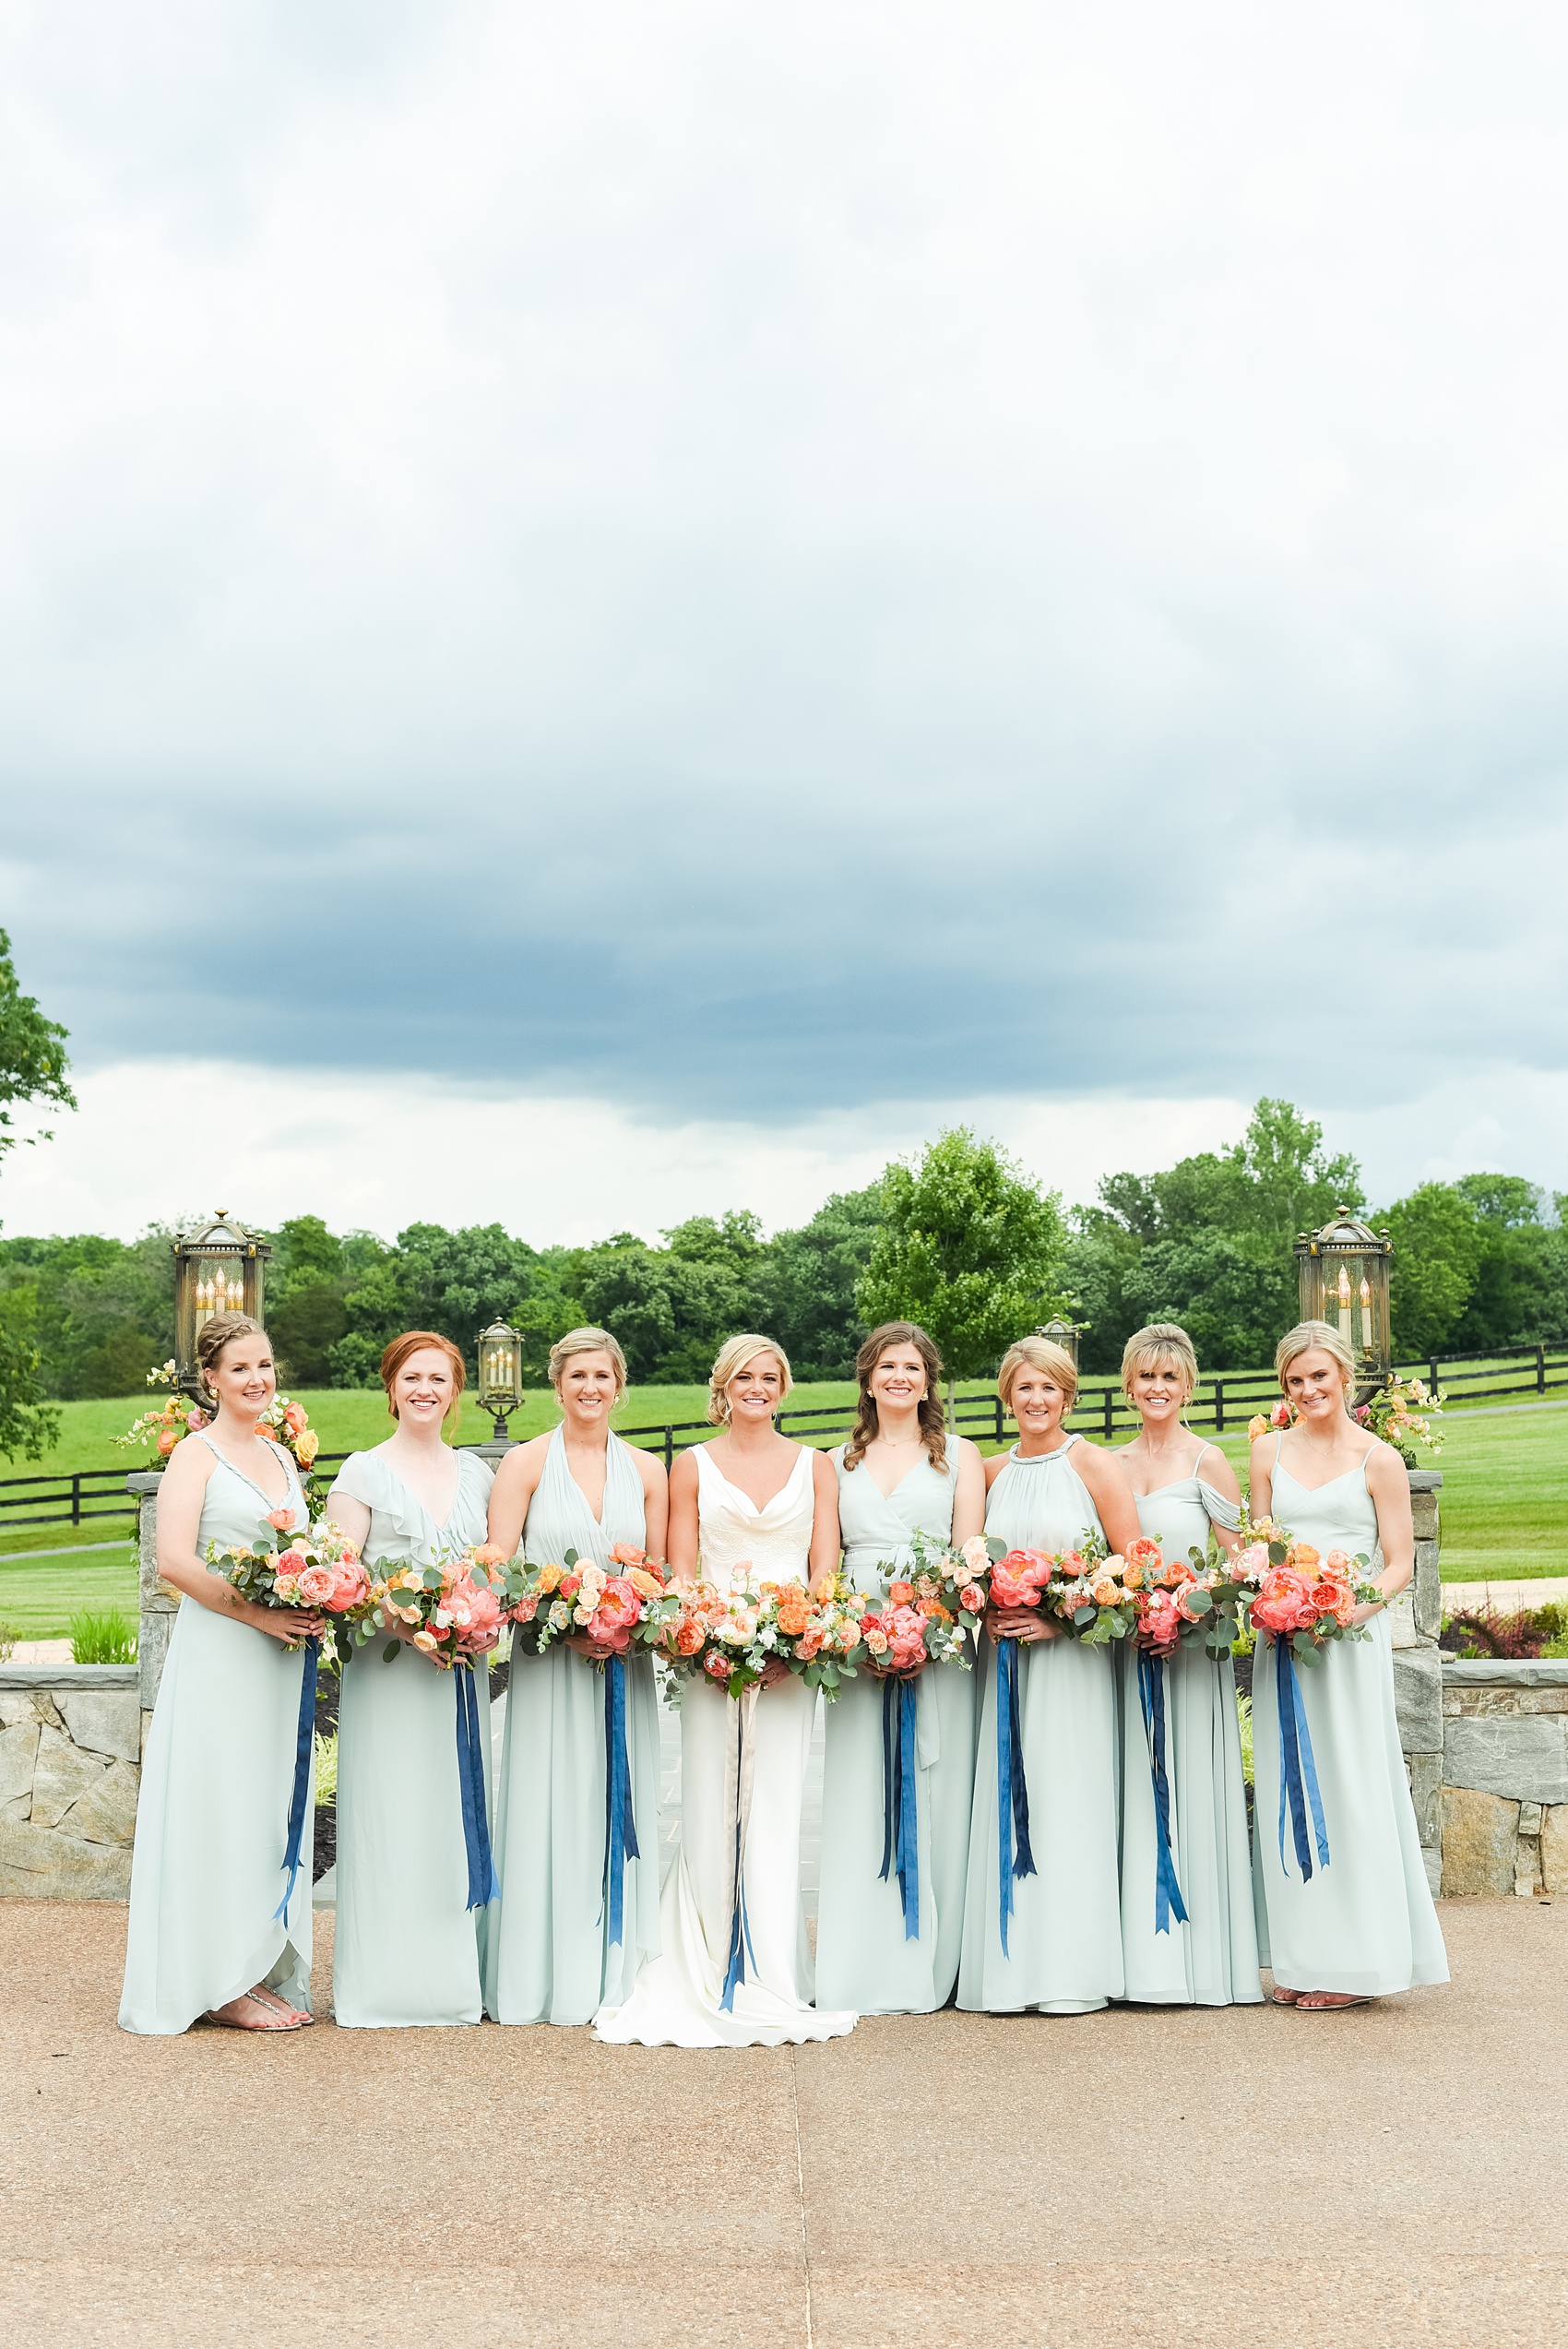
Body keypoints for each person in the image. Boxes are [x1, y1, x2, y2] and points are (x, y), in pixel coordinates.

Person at [595, 1334, 857, 2047]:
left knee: (773, 1806)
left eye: (770, 1376)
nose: (757, 1387)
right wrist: (711, 1641)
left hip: (789, 1662)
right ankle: (707, 1962)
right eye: (745, 1375)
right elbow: (681, 1572)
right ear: (724, 1385)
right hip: (709, 1657)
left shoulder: (817, 1466)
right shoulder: (693, 1466)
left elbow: (825, 1573)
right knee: (710, 1803)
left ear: (785, 1387)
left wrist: (800, 1643)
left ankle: (773, 1973)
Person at [120, 1314, 322, 2034]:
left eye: (264, 1365)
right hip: (223, 1656)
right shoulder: (195, 1456)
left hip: (278, 1663)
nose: (257, 1379)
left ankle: (259, 1963)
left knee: (266, 1808)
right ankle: (216, 1980)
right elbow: (174, 1560)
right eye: (240, 1368)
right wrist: (261, 1616)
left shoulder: (280, 1455)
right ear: (210, 1377)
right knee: (222, 1806)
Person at [1249, 1320, 1448, 2009]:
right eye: (1296, 1381)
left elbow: (1399, 1563)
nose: (1308, 1390)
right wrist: (1272, 1598)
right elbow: (1263, 1546)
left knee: (1351, 1789)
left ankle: (1360, 1966)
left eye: (1319, 1378)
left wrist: (1347, 1613)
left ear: (1343, 1377)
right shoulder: (1266, 1450)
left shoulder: (1378, 1458)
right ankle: (1303, 1961)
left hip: (1349, 1642)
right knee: (1290, 1788)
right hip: (1283, 1642)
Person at [483, 1327, 668, 2025]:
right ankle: (541, 1976)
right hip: (550, 1665)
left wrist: (625, 1617)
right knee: (549, 1801)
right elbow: (498, 1565)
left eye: (602, 1376)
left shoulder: (648, 1471)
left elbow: (660, 1574)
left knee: (617, 1799)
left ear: (620, 1385)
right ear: (556, 1386)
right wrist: (561, 1610)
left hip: (624, 1663)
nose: (590, 1388)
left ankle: (620, 1970)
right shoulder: (525, 1465)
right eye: (577, 1376)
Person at [956, 1334, 1143, 2015]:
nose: (1037, 1400)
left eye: (1049, 1388)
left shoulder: (1093, 1464)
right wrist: (983, 1609)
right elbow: (966, 1563)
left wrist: (1061, 1619)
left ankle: (1070, 1971)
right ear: (1007, 1395)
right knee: (1007, 1797)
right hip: (1003, 1665)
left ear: (1068, 1395)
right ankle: (1008, 1971)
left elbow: (1133, 1567)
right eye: (1024, 1387)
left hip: (1072, 1667)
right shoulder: (989, 1471)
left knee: (1068, 1800)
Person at [327, 1332, 498, 2028]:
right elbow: (341, 1584)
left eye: (439, 1378)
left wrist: (475, 1616)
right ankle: (382, 1985)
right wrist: (407, 1624)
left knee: (449, 1816)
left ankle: (453, 1984)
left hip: (459, 1675)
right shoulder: (361, 1473)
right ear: (391, 1388)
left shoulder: (479, 1475)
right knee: (391, 1813)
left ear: (455, 1392)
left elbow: (492, 1570)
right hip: (391, 1672)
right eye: (412, 1377)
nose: (425, 1389)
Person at [814, 1321, 984, 2013]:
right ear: (868, 1377)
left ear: (928, 1380)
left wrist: (926, 1631)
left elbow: (969, 1554)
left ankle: (934, 1965)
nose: (899, 1377)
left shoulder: (961, 1458)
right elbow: (825, 1565)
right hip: (856, 1647)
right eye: (888, 1366)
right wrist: (848, 1632)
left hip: (937, 1641)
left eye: (912, 1367)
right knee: (861, 1793)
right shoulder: (835, 1462)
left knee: (938, 1792)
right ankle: (863, 1966)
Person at [1115, 1322, 1261, 2006]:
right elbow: (1103, 1562)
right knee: (1134, 1792)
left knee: (1189, 1788)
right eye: (1146, 1376)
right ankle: (1138, 1961)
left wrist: (1191, 1615)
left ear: (1189, 1386)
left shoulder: (1209, 1462)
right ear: (1128, 1384)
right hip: (1125, 1652)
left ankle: (1199, 1961)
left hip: (1190, 1657)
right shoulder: (1109, 1465)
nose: (1157, 1389)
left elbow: (1242, 1563)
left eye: (1170, 1377)